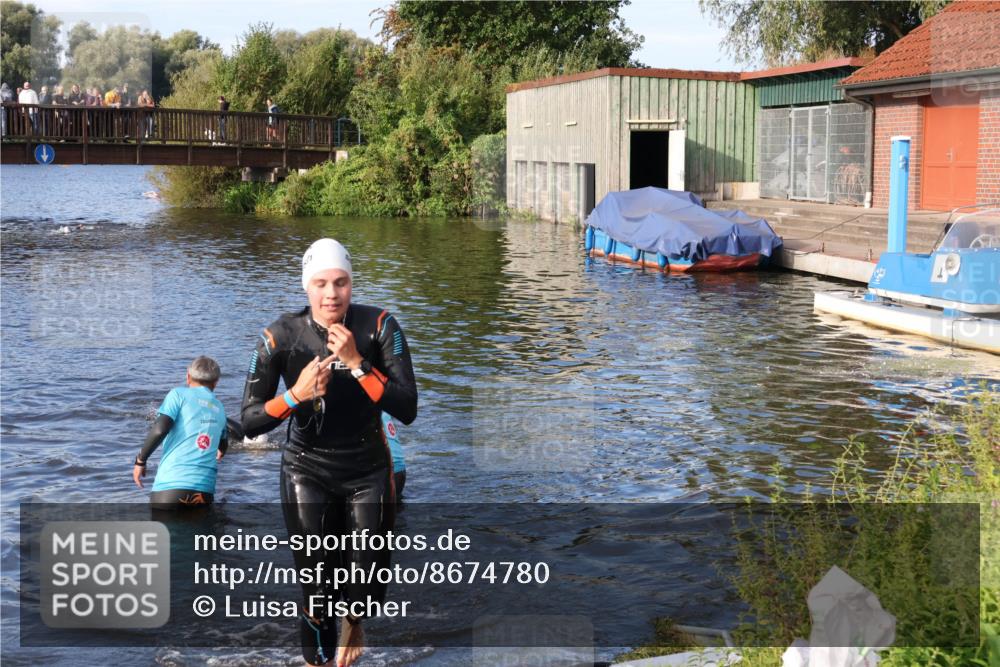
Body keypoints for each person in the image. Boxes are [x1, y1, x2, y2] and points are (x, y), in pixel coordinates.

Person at [241, 238, 417, 667]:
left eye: (340, 282)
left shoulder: (379, 327)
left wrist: (358, 363)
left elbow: (407, 408)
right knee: (317, 588)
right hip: (306, 467)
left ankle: (355, 622)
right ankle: (315, 663)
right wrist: (295, 396)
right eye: (321, 283)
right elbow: (248, 421)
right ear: (307, 287)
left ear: (351, 285)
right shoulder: (279, 336)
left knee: (364, 587)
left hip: (367, 467)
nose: (331, 293)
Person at [134, 357, 229, 508]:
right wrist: (220, 451)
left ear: (188, 377)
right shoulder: (220, 408)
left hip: (170, 489)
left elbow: (160, 429)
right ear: (216, 382)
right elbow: (223, 445)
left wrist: (141, 460)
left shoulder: (178, 395)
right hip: (204, 492)